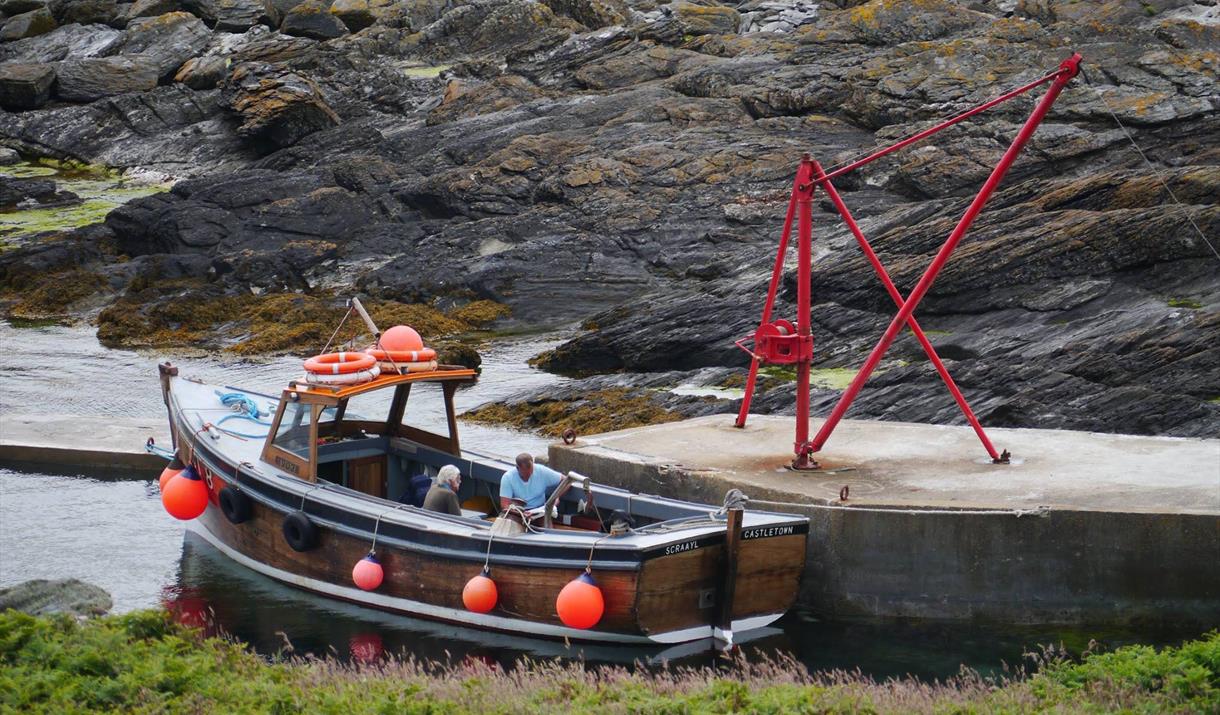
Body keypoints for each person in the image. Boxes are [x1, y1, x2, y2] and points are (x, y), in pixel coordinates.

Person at [499, 453, 569, 513]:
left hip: (540, 510)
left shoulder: (541, 471)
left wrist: (556, 497)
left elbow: (566, 481)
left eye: (531, 473)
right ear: (517, 468)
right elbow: (505, 505)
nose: (528, 476)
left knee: (546, 525)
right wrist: (521, 514)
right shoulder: (508, 477)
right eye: (525, 474)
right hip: (518, 511)